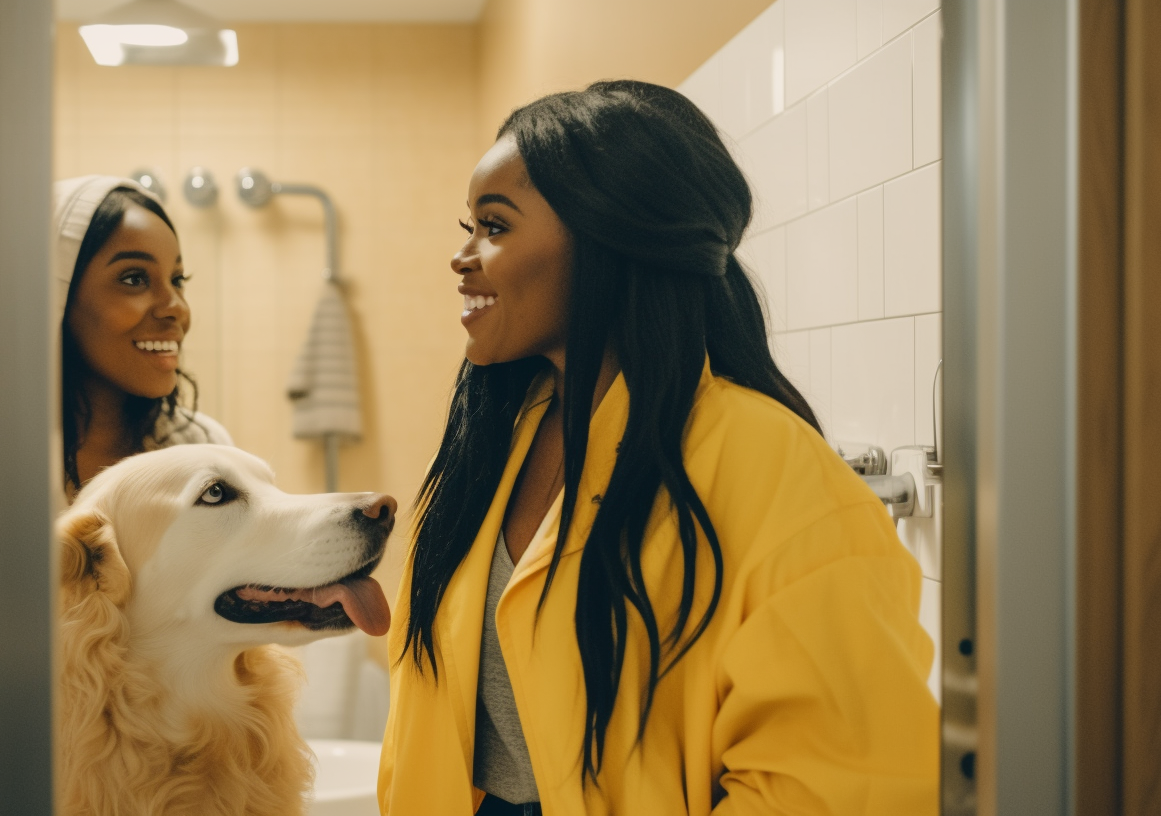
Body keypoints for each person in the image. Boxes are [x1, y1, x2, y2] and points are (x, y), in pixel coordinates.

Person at [378, 81, 938, 816]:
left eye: (495, 225)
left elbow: (840, 781)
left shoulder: (772, 465)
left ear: (610, 239)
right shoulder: (491, 447)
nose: (462, 257)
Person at [53, 176, 232, 501]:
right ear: (58, 293)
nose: (176, 307)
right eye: (134, 279)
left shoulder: (199, 445)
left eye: (177, 280)